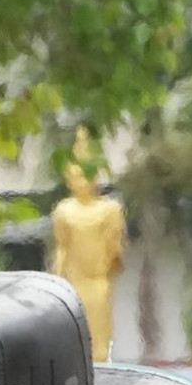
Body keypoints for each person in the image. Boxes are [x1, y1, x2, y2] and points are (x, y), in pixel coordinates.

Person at [48, 131, 126, 364]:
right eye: (75, 175)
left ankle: (99, 367)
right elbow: (62, 247)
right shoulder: (64, 211)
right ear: (68, 179)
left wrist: (106, 269)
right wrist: (58, 280)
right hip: (73, 282)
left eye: (86, 175)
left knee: (99, 343)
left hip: (97, 281)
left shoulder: (109, 210)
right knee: (73, 337)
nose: (81, 181)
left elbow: (114, 249)